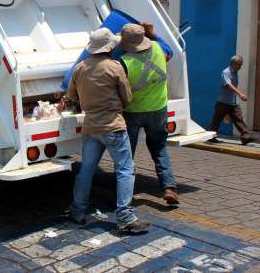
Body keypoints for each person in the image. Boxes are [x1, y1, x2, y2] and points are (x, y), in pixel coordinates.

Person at [66, 28, 150, 233]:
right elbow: (127, 97)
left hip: (91, 127)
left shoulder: (80, 68)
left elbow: (72, 96)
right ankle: (125, 217)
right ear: (110, 47)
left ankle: (77, 211)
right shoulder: (114, 67)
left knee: (86, 170)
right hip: (113, 127)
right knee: (124, 170)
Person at [119, 23, 179, 206]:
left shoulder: (124, 62)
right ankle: (169, 187)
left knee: (128, 154)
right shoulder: (159, 49)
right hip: (158, 109)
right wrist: (153, 34)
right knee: (159, 148)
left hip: (133, 112)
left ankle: (125, 194)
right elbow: (171, 51)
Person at [209, 55, 254, 145]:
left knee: (239, 119)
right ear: (234, 64)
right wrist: (240, 94)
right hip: (223, 102)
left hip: (233, 102)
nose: (241, 67)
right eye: (239, 65)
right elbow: (229, 85)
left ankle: (246, 137)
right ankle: (211, 137)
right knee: (217, 120)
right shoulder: (226, 72)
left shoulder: (235, 72)